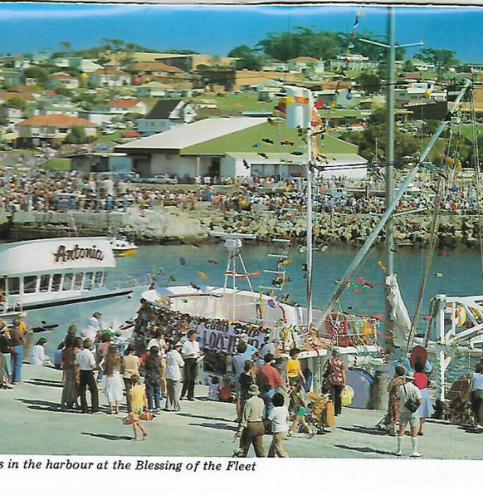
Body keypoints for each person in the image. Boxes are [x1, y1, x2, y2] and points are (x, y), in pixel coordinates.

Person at [395, 371, 423, 457]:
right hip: (413, 412)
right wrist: (414, 406)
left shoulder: (401, 388)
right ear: (412, 380)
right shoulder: (415, 389)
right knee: (414, 432)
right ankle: (414, 451)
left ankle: (399, 450)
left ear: (406, 378)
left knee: (401, 431)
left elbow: (398, 398)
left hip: (403, 411)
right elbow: (420, 401)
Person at [236, 384, 265, 458]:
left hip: (251, 425)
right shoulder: (261, 401)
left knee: (244, 447)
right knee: (259, 447)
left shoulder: (249, 402)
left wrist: (240, 430)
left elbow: (245, 417)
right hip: (260, 425)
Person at [257, 353, 287, 420]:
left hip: (262, 389)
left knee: (263, 407)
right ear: (271, 360)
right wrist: (285, 389)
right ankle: (269, 424)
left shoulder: (260, 369)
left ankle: (263, 422)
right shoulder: (273, 370)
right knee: (270, 406)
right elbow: (279, 381)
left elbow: (257, 379)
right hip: (270, 389)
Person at [75, 338, 99, 414]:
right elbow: (93, 365)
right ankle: (94, 408)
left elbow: (76, 363)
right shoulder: (89, 354)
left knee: (82, 390)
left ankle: (84, 408)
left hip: (82, 371)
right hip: (88, 372)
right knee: (94, 390)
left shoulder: (80, 353)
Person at [323, 348, 346, 416]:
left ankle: (331, 410)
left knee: (332, 396)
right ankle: (338, 411)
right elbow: (343, 372)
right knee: (338, 396)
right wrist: (344, 382)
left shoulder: (329, 361)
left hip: (331, 380)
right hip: (339, 381)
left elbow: (324, 369)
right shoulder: (341, 362)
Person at [414, 361, 434, 436]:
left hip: (417, 393)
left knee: (415, 412)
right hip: (425, 393)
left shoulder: (414, 375)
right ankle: (421, 428)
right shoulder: (424, 376)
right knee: (423, 413)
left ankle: (414, 429)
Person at [103, 344, 123, 415]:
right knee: (117, 391)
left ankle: (111, 408)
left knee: (109, 391)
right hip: (116, 375)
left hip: (109, 375)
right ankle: (117, 408)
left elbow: (100, 364)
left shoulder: (107, 357)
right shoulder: (117, 357)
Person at [181, 330, 201, 401]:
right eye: (194, 335)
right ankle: (182, 394)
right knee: (187, 378)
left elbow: (198, 352)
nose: (195, 336)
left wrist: (198, 355)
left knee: (193, 378)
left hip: (195, 360)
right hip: (188, 360)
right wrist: (189, 354)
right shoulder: (186, 343)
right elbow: (182, 354)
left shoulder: (197, 343)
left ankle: (190, 395)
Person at [268, 392, 290, 457]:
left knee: (278, 448)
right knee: (273, 447)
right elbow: (287, 418)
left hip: (278, 431)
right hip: (285, 429)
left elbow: (269, 419)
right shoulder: (285, 408)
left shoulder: (274, 410)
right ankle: (269, 458)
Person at [164, 341, 184, 412]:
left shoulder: (168, 353)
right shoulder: (177, 354)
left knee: (169, 390)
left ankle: (168, 406)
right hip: (175, 373)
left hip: (168, 372)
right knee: (176, 391)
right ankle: (176, 406)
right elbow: (182, 364)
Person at [387, 366, 407, 436]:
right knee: (400, 414)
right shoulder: (404, 381)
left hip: (394, 398)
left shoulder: (394, 380)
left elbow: (388, 389)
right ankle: (401, 430)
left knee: (393, 414)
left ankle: (393, 429)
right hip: (401, 398)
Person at [129, 374, 148, 441]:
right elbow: (145, 398)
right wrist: (146, 406)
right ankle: (143, 431)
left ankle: (136, 436)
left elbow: (132, 400)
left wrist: (131, 408)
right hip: (140, 406)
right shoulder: (142, 388)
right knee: (137, 420)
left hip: (135, 406)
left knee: (134, 422)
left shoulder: (132, 390)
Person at [61, 337, 78, 411]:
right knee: (71, 385)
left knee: (66, 385)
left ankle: (63, 400)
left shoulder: (65, 350)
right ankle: (69, 401)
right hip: (71, 367)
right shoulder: (72, 351)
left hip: (66, 366)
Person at [122, 345, 140, 413]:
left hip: (127, 374)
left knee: (128, 391)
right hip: (135, 374)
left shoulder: (124, 358)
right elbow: (138, 365)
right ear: (132, 351)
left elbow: (123, 365)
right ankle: (137, 406)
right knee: (136, 391)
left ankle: (129, 407)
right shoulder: (136, 358)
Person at [144, 346, 162, 413]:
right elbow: (160, 367)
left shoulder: (148, 359)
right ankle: (157, 407)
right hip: (157, 377)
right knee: (157, 392)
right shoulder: (158, 359)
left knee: (150, 393)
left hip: (149, 376)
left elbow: (145, 367)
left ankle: (150, 407)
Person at [10, 316, 26, 384]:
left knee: (12, 363)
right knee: (18, 364)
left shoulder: (10, 331)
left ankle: (10, 378)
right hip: (18, 346)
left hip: (12, 347)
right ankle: (17, 379)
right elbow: (23, 340)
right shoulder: (19, 331)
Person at [0, 323, 13, 389]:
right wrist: (9, 337)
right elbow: (10, 344)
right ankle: (7, 382)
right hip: (6, 353)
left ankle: (2, 382)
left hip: (1, 352)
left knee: (2, 367)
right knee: (7, 368)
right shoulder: (4, 338)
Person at [470, 362, 483, 428]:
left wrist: (469, 392)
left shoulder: (473, 375)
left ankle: (476, 422)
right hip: (482, 391)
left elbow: (471, 384)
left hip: (475, 392)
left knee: (474, 407)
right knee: (481, 408)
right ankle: (480, 422)